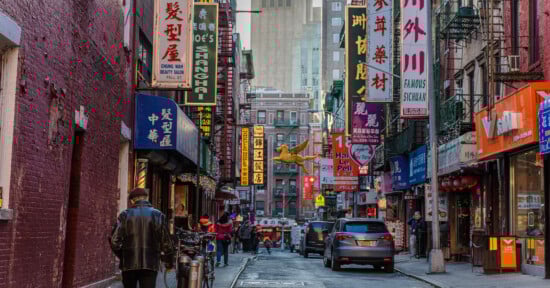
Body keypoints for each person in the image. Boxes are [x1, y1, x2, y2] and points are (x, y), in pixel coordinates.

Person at [110, 188, 174, 288]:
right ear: (146, 198)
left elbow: (114, 241)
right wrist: (169, 262)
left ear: (132, 200)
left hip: (129, 264)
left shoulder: (125, 215)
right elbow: (167, 242)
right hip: (150, 264)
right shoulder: (158, 215)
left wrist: (123, 256)